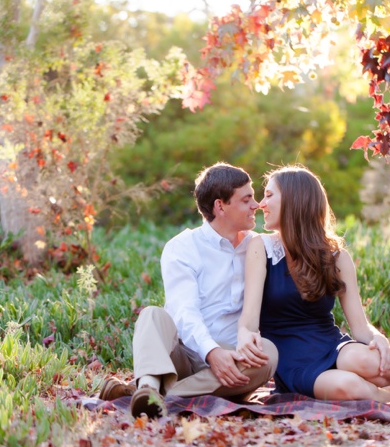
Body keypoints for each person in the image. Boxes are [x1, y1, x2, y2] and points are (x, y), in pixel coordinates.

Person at [237, 165, 390, 402]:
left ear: (295, 201)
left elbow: (361, 327)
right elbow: (250, 319)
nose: (261, 204)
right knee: (348, 386)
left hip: (331, 345)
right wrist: (244, 335)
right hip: (292, 361)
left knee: (365, 359)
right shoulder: (260, 248)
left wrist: (378, 338)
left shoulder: (336, 257)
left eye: (270, 195)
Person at [99, 162, 278, 418]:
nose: (256, 205)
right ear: (220, 206)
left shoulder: (258, 246)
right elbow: (184, 311)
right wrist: (211, 352)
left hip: (232, 358)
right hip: (183, 353)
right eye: (246, 199)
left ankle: (151, 396)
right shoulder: (183, 246)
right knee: (152, 314)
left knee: (268, 354)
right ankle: (148, 385)